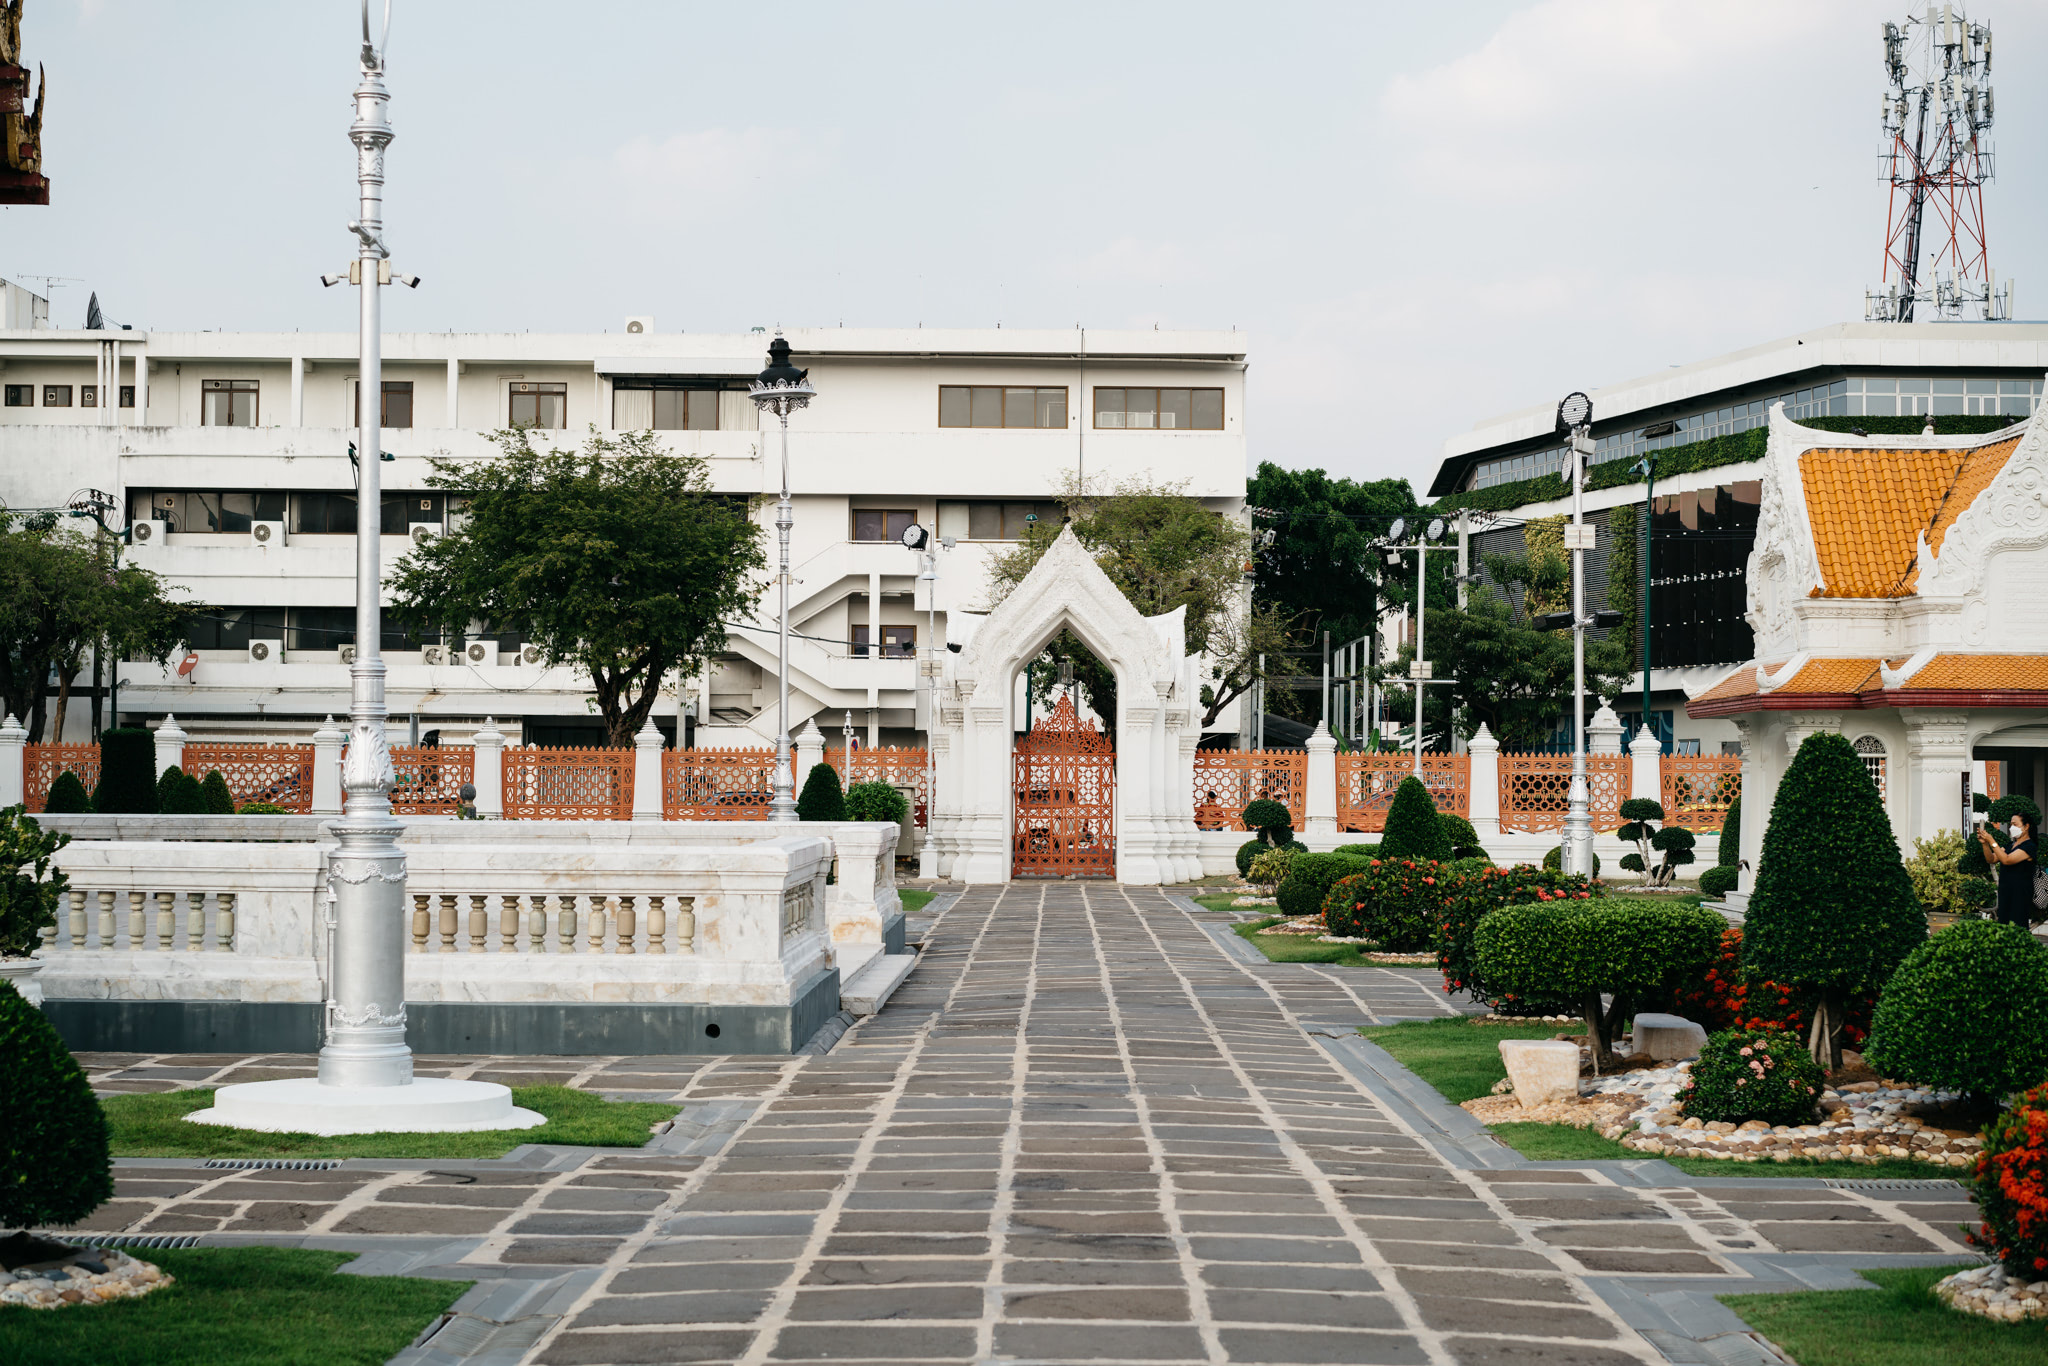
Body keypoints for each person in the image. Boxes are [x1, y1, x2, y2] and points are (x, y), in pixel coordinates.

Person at [1977, 804, 2039, 927]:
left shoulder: (2029, 846)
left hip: (2020, 892)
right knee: (2003, 924)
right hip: (2006, 890)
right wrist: (1985, 844)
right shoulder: (2010, 845)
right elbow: (1992, 859)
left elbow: (2007, 860)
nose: (2011, 827)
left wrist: (1992, 841)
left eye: (2015, 824)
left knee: (2017, 924)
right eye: (2011, 824)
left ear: (2026, 827)